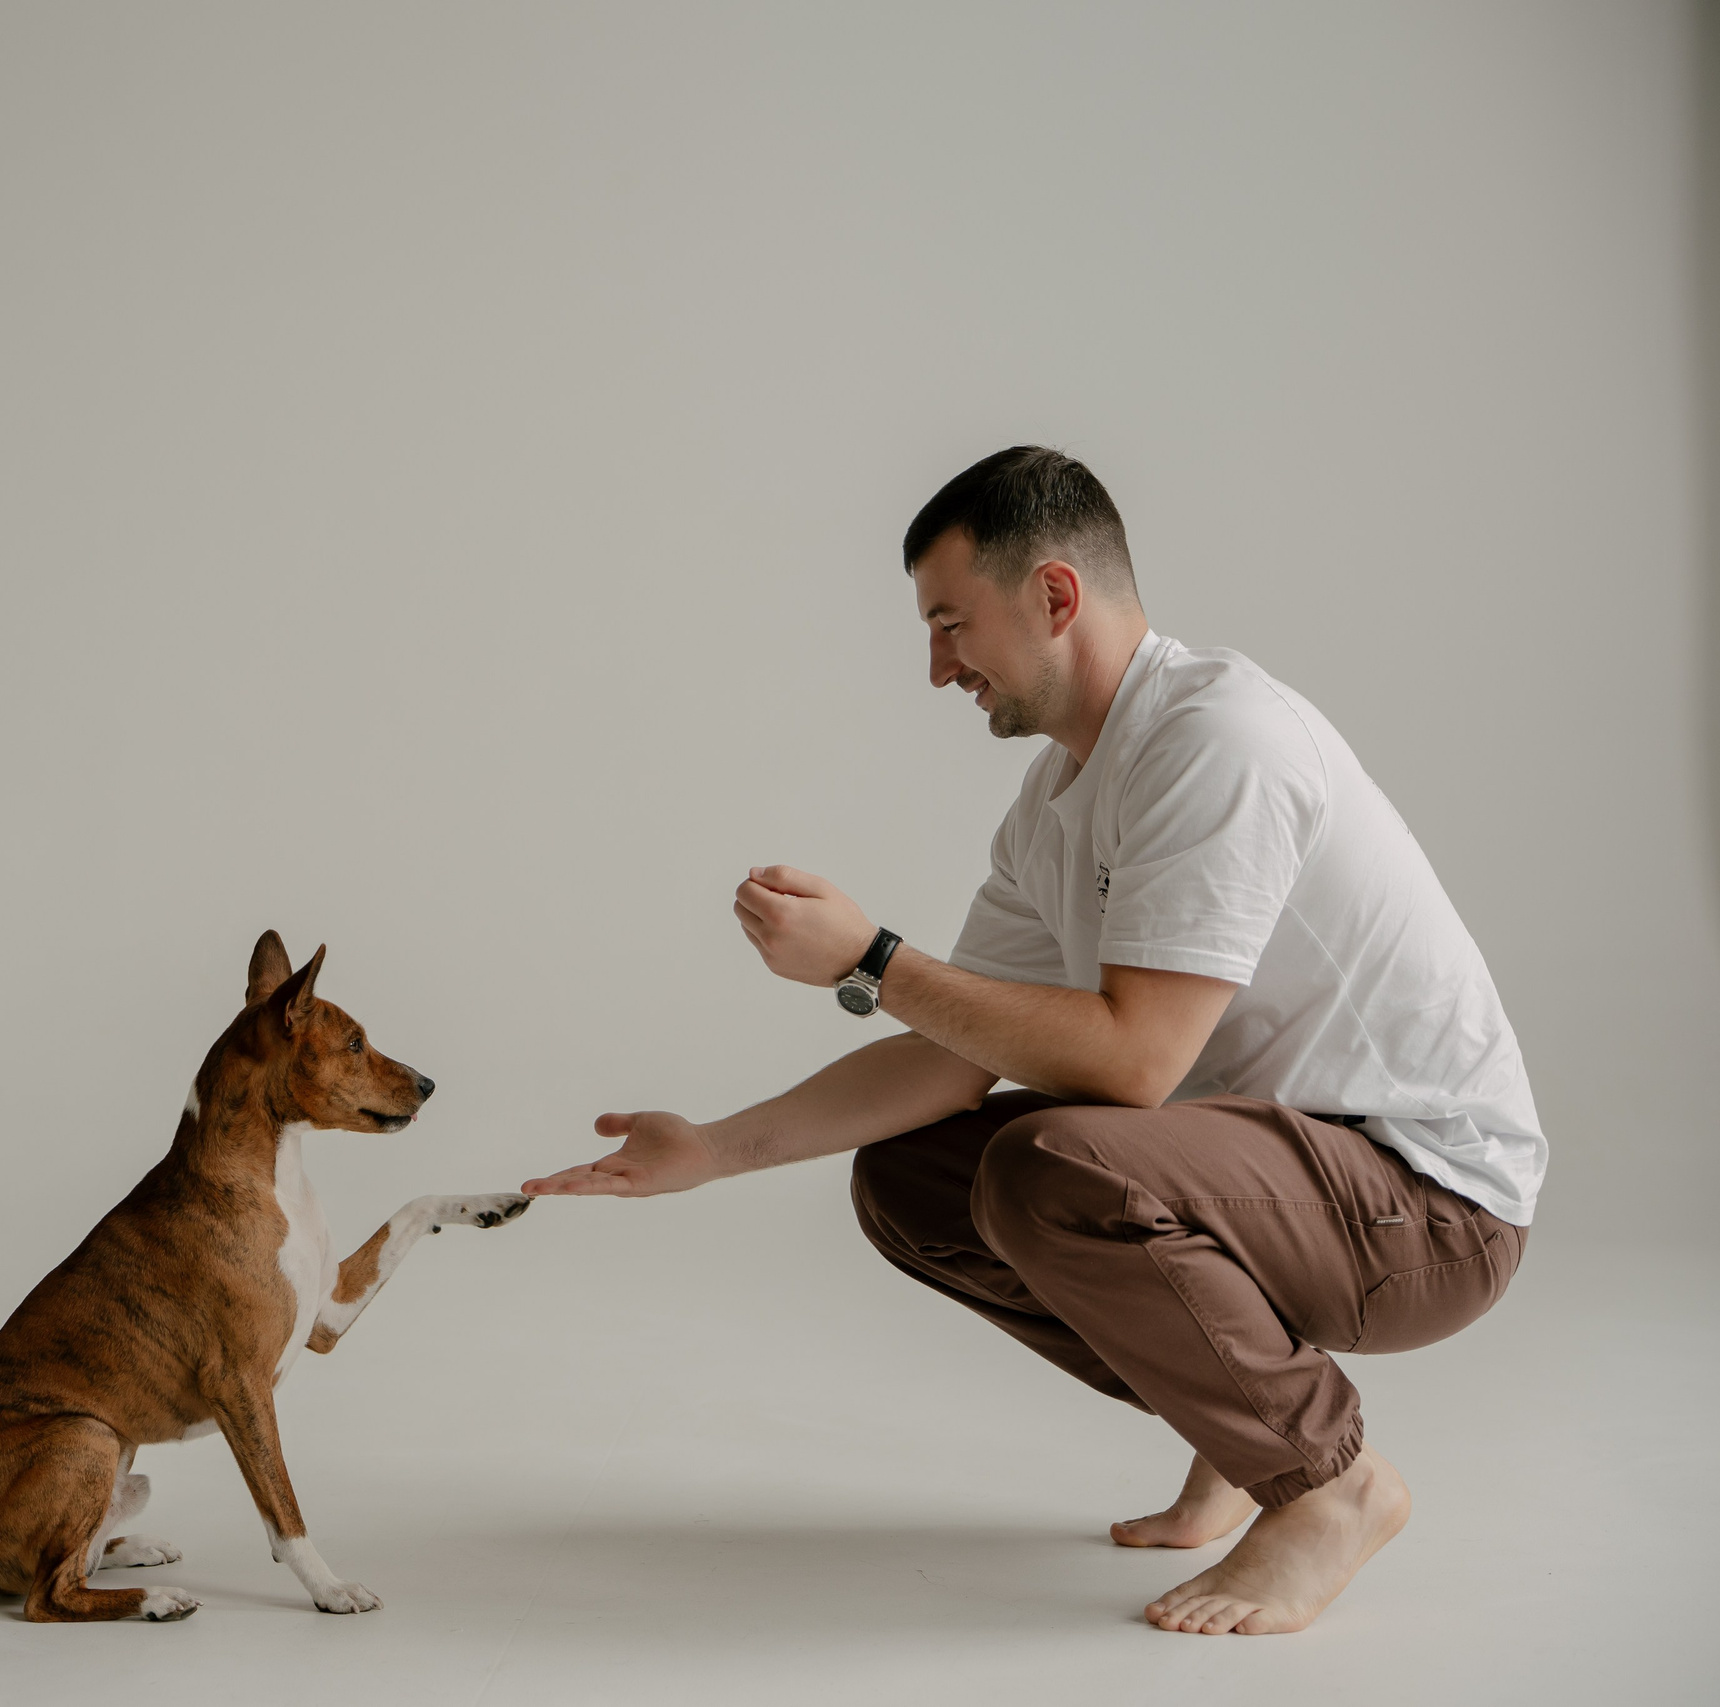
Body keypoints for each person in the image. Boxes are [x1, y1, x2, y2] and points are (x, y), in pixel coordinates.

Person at [522, 446, 1544, 1636]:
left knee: (1050, 1167)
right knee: (913, 1177)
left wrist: (867, 958)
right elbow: (952, 1054)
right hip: (1279, 1181)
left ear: (1055, 597)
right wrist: (710, 1149)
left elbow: (1133, 1063)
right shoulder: (1055, 803)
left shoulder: (1219, 739)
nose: (936, 666)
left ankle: (1331, 1485)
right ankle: (1242, 1425)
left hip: (1429, 1207)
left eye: (952, 624)